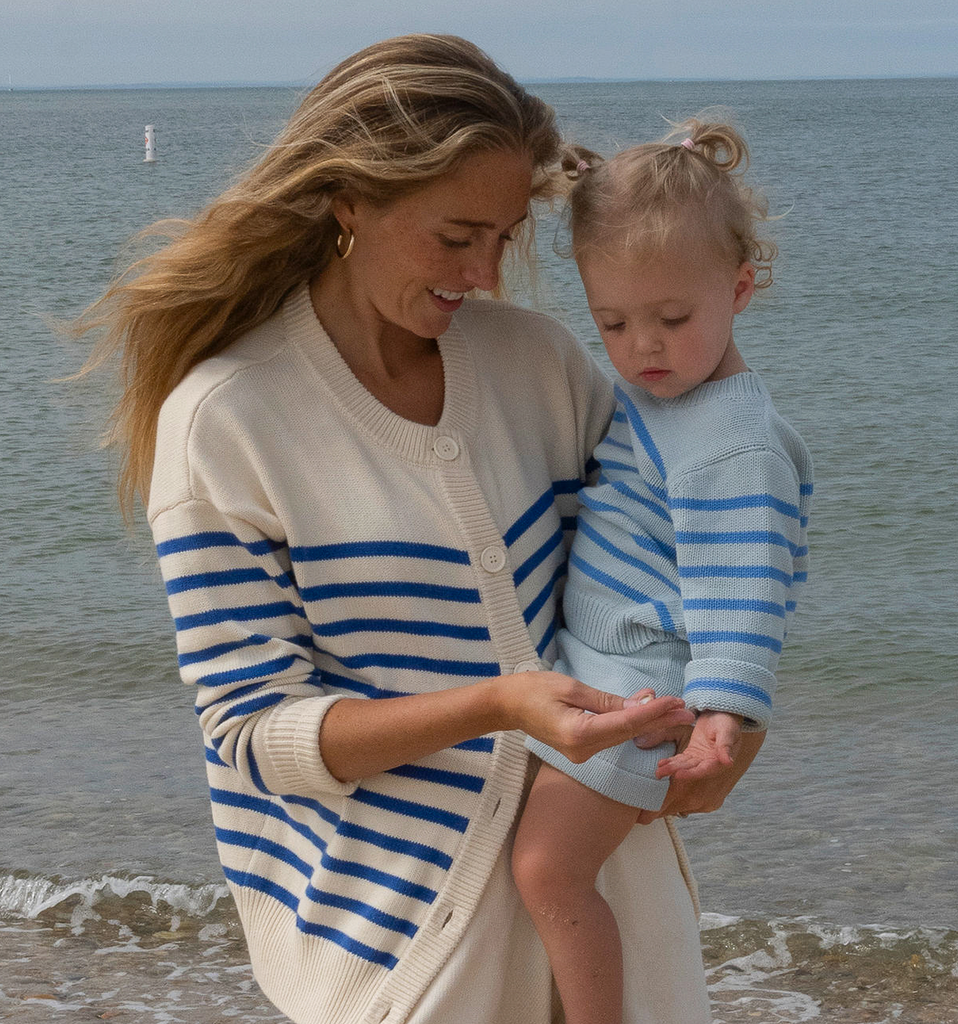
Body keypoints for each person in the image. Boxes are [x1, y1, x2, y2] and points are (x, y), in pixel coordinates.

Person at [73, 37, 763, 1024]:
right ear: (349, 200)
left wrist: (729, 722)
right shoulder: (225, 420)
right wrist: (499, 703)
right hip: (411, 951)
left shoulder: (539, 364)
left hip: (613, 916)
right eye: (454, 236)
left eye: (506, 235)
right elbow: (253, 733)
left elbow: (681, 553)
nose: (485, 273)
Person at [511, 118, 814, 1024]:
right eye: (612, 321)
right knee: (547, 868)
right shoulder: (666, 398)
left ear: (740, 288)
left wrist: (725, 711)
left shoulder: (727, 445)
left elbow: (743, 584)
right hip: (603, 663)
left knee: (544, 868)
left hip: (638, 683)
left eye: (673, 320)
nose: (643, 347)